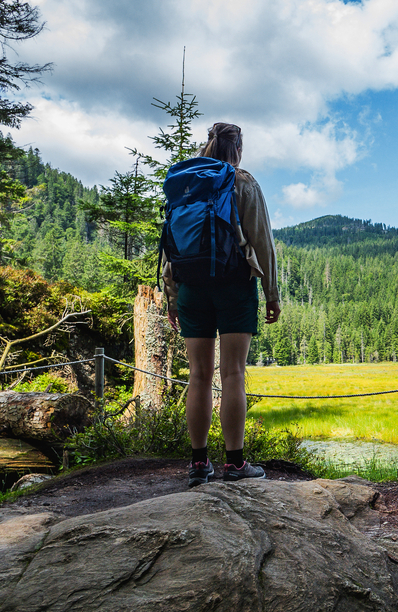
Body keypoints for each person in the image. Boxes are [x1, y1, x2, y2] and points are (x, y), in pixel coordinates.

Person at [162, 122, 281, 488]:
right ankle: (235, 464)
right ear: (238, 150)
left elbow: (171, 246)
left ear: (207, 145)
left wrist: (171, 297)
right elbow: (262, 241)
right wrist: (272, 293)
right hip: (233, 286)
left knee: (198, 376)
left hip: (191, 288)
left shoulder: (184, 183)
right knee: (233, 374)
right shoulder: (242, 182)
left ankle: (199, 464)